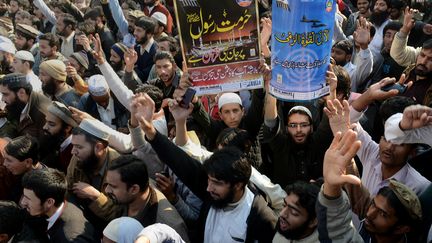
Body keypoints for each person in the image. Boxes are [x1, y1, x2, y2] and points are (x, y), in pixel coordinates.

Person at [134, 93, 277, 242]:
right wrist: (150, 130)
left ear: (239, 185)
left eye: (217, 183)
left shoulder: (261, 217)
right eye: (209, 181)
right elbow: (180, 161)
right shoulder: (211, 191)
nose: (208, 188)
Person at [316, 128, 423, 243]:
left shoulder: (422, 186)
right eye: (373, 204)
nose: (369, 214)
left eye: (383, 214)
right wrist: (331, 186)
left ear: (402, 228)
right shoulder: (368, 226)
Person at [327, 81, 431, 196]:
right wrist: (369, 95)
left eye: (400, 144)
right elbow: (347, 121)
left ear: (412, 152)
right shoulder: (373, 152)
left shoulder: (421, 188)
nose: (390, 147)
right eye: (387, 139)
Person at [99, 155, 189, 241]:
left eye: (113, 186)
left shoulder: (169, 225)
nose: (107, 190)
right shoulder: (130, 194)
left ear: (134, 189)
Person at [262, 82, 333, 187]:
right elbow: (270, 122)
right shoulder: (281, 145)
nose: (298, 130)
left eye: (304, 125)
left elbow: (329, 118)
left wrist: (332, 90)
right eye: (293, 125)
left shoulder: (317, 142)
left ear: (312, 128)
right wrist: (270, 88)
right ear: (286, 129)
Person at [21, 168, 98, 242]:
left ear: (49, 202)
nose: (23, 202)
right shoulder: (62, 200)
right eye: (24, 196)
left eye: (28, 198)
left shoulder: (69, 238)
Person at [389, 8, 432, 106]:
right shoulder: (413, 65)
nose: (423, 61)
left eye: (431, 59)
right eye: (423, 55)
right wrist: (405, 29)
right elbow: (398, 54)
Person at [0, 73, 50, 139]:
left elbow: (40, 146)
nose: (2, 99)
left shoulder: (43, 115)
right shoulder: (17, 103)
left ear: (21, 92)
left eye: (5, 94)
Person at [40, 101, 78, 172]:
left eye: (51, 124)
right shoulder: (56, 142)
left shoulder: (74, 153)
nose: (45, 127)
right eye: (46, 122)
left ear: (67, 128)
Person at [133, 16, 157, 81]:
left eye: (139, 30)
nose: (134, 33)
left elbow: (143, 76)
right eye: (135, 29)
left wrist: (132, 67)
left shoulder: (155, 52)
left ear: (149, 34)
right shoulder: (137, 47)